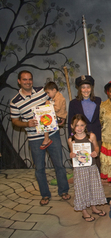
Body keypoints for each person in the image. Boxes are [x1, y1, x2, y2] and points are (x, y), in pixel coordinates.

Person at [10, 70, 70, 206]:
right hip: (34, 138)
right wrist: (26, 123)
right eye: (24, 80)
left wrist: (58, 118)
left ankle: (64, 191)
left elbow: (52, 106)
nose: (28, 82)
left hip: (52, 134)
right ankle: (45, 194)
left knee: (59, 165)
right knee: (39, 168)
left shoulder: (42, 91)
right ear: (19, 81)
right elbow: (14, 121)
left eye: (30, 79)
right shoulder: (15, 102)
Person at [68, 114, 106, 222]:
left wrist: (96, 152)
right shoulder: (71, 140)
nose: (79, 128)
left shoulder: (91, 136)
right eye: (76, 125)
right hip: (79, 169)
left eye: (82, 125)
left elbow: (97, 147)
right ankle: (84, 211)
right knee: (81, 189)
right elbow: (72, 152)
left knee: (93, 187)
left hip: (91, 167)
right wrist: (72, 155)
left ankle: (94, 207)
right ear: (72, 126)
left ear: (85, 125)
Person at [68, 75, 102, 171]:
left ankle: (96, 182)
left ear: (91, 88)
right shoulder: (73, 103)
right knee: (81, 161)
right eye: (83, 87)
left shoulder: (98, 101)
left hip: (96, 136)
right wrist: (71, 137)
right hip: (80, 137)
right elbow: (70, 122)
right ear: (79, 89)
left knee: (97, 161)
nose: (86, 90)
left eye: (88, 87)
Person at [40, 82, 67, 150]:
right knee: (45, 121)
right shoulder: (55, 97)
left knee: (45, 122)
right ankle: (46, 138)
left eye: (48, 92)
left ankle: (46, 139)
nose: (48, 95)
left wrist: (49, 106)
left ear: (54, 90)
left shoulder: (59, 98)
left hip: (59, 117)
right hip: (57, 116)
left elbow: (57, 108)